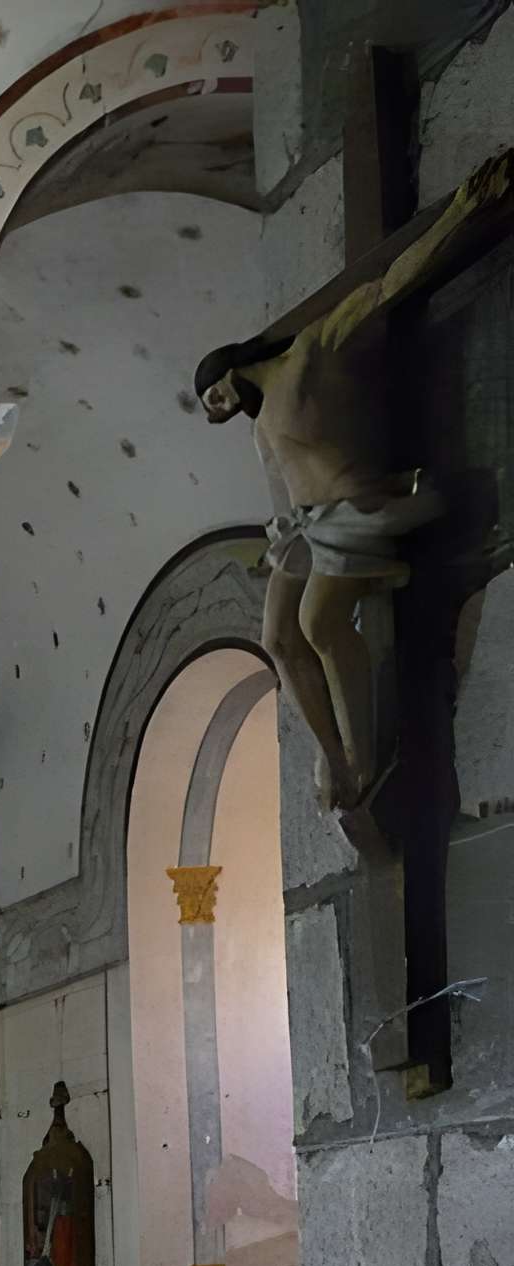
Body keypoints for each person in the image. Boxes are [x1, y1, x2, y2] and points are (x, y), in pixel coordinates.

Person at [196, 147, 513, 809]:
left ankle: (362, 766)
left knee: (318, 622)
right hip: (308, 529)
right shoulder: (260, 427)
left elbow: (389, 283)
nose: (215, 410)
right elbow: (283, 494)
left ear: (227, 367)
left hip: (359, 512)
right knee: (276, 639)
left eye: (211, 396)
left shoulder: (312, 351)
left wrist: (463, 207)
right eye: (210, 410)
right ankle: (334, 754)